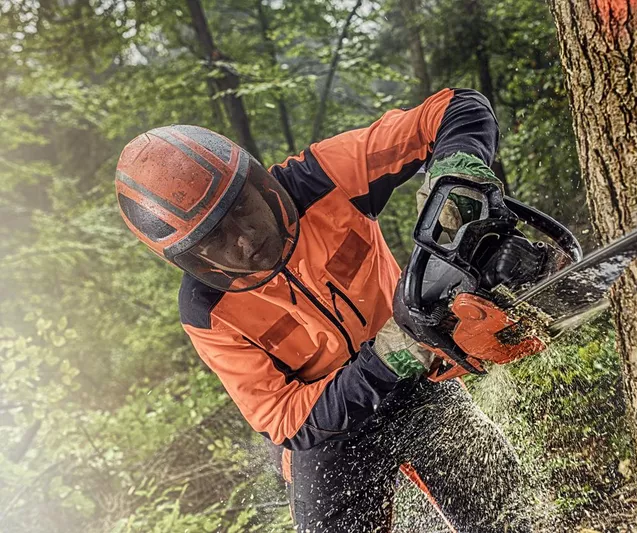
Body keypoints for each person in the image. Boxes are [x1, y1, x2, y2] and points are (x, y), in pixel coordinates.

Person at [115, 88, 533, 532]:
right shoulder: (206, 310)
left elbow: (454, 108)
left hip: (419, 382)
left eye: (242, 209)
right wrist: (391, 353)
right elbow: (284, 418)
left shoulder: (320, 179)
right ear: (192, 258)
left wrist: (456, 177)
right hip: (329, 438)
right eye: (216, 239)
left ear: (258, 183)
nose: (245, 237)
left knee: (510, 516)